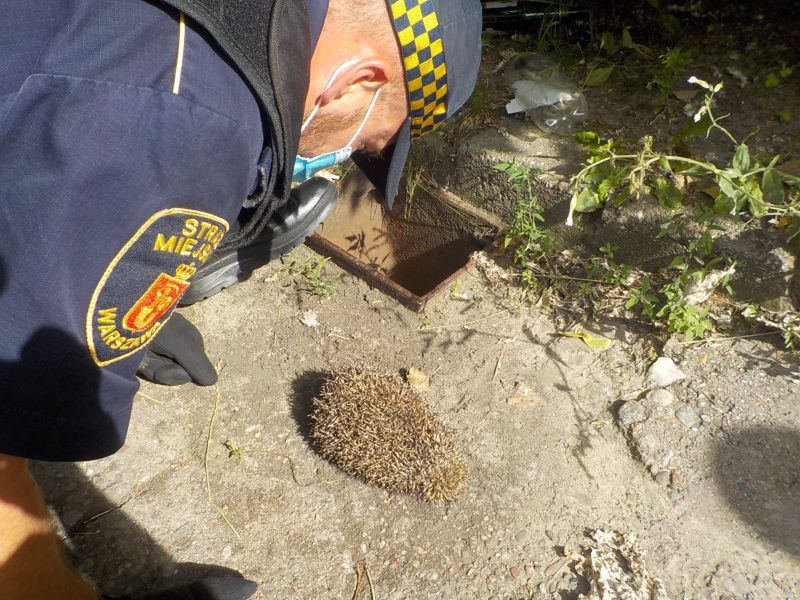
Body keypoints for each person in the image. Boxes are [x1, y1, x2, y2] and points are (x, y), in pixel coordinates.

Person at [0, 0, 481, 598]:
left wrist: (111, 286)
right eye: (370, 140)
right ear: (357, 80)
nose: (348, 158)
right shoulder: (193, 123)